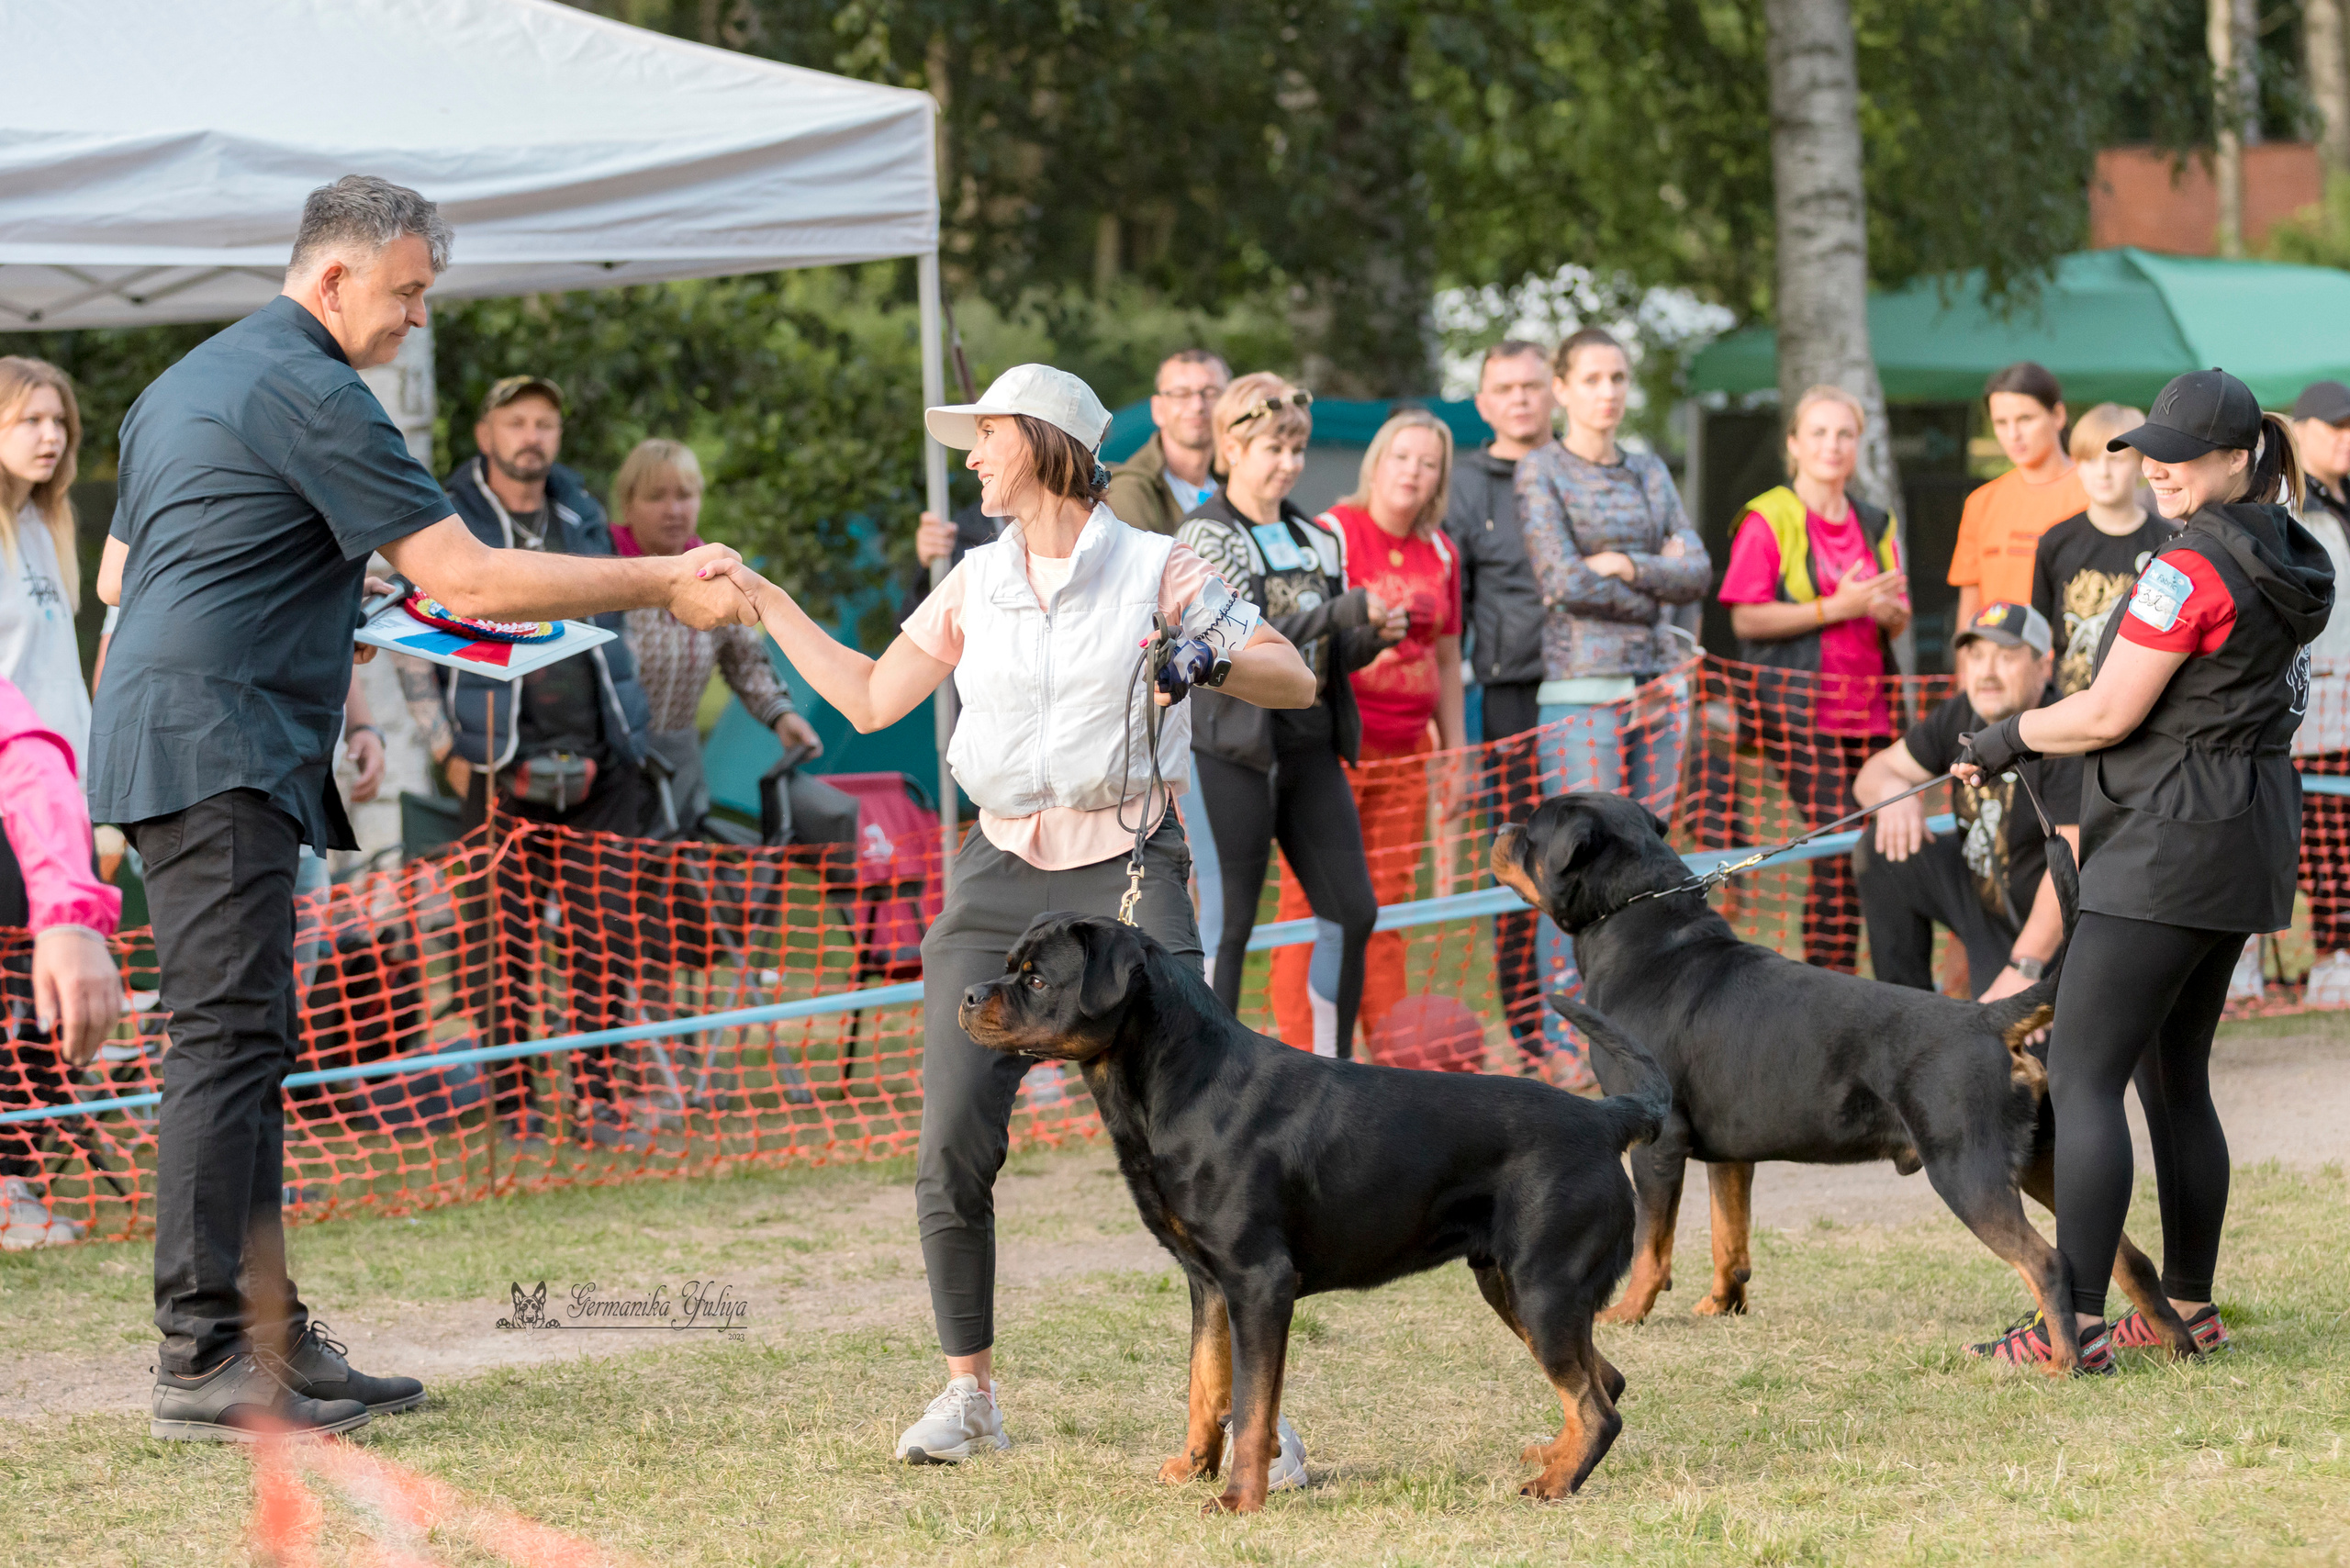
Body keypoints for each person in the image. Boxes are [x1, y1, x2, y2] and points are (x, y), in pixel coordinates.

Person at [90, 175, 750, 1440]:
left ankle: (261, 1333)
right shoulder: (314, 386)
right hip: (216, 742)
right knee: (224, 1045)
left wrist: (332, 616)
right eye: (407, 294)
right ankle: (200, 1356)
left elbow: (127, 573)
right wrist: (663, 579)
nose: (415, 321)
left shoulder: (187, 381)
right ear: (333, 279)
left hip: (190, 734)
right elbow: (469, 570)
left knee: (248, 1041)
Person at [711, 363, 1315, 1468]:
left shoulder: (1157, 566)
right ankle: (968, 1395)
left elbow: (1291, 676)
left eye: (985, 435)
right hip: (993, 876)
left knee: (1208, 1151)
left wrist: (1206, 649)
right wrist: (764, 596)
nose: (972, 456)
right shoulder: (974, 583)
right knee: (949, 1142)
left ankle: (1254, 1418)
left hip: (1131, 869)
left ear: (1041, 442)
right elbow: (868, 695)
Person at [1956, 369, 2331, 1372]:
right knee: (2175, 1080)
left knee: (2082, 1074)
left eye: (2180, 455)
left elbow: (2108, 711)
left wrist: (2004, 737)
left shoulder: (2187, 566)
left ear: (2238, 457)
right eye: (2149, 448)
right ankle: (2188, 1306)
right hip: (2242, 836)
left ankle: (2068, 1324)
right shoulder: (2289, 545)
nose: (2156, 468)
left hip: (2169, 842)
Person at [396, 375, 675, 1153]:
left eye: (545, 423)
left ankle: (598, 1100)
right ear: (486, 434)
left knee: (604, 941)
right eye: (516, 421)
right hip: (495, 768)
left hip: (601, 764)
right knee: (498, 946)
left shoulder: (582, 514)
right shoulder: (448, 520)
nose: (532, 436)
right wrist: (444, 746)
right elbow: (408, 630)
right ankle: (515, 1108)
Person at [1180, 374, 1396, 1058]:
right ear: (1232, 446)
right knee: (1229, 925)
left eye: (1298, 449)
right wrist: (1345, 610)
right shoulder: (1204, 535)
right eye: (1275, 447)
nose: (1290, 463)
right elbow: (1247, 632)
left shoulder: (1316, 536)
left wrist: (1371, 636)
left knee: (1353, 911)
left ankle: (1335, 1070)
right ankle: (1202, 1080)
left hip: (1310, 747)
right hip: (1230, 754)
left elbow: (1323, 654)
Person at [1520, 328, 1710, 1067]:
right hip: (1581, 690)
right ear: (1562, 388)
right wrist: (1653, 572)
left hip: (1658, 687)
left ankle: (1649, 1029)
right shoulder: (1542, 471)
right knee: (1569, 865)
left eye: (1619, 377)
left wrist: (1624, 564)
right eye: (1593, 378)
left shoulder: (1649, 468)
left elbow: (1695, 568)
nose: (1608, 392)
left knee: (1647, 854)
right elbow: (1561, 581)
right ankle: (1569, 1042)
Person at [1274, 409, 1460, 1056]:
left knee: (1389, 902)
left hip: (1411, 751)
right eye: (1402, 457)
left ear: (1440, 478)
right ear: (1377, 463)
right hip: (1339, 748)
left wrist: (1452, 751)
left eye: (1428, 462)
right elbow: (1304, 640)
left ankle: (1391, 1051)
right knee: (1311, 901)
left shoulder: (1441, 552)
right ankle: (1303, 1051)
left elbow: (1447, 659)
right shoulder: (1332, 535)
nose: (1413, 471)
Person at [1718, 384, 1910, 974]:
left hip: (1873, 709)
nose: (1833, 445)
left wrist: (1884, 611)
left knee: (1885, 849)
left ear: (1858, 446)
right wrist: (1839, 606)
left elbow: (1897, 614)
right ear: (1794, 445)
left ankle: (1889, 981)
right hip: (1800, 714)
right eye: (1820, 433)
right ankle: (1829, 980)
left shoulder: (1875, 519)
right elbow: (1745, 615)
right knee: (1837, 849)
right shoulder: (1768, 517)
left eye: (1845, 434)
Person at [607, 437, 839, 837]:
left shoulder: (712, 573)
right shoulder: (601, 570)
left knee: (673, 884)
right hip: (609, 762)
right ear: (628, 504)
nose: (674, 510)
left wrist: (781, 715)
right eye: (656, 496)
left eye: (685, 495)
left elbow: (745, 660)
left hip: (680, 760)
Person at [1852, 603, 2078, 1000]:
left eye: (2005, 657)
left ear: (2044, 666)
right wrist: (1892, 793)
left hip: (2053, 930)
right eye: (1976, 656)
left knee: (2019, 1055)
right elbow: (1871, 775)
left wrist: (2026, 964)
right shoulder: (1961, 713)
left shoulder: (2065, 729)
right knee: (1879, 850)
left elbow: (2073, 861)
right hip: (1980, 899)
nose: (1986, 672)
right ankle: (1905, 1010)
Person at [1446, 341, 1558, 1065]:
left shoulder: (1581, 469)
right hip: (1509, 696)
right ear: (1484, 404)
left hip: (1598, 690)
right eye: (1504, 389)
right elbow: (1450, 608)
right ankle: (1527, 1030)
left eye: (1532, 386)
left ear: (1554, 394)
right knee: (1523, 857)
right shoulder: (1464, 485)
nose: (1520, 399)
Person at [0, 676, 121, 1249]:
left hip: (41, 836)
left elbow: (25, 755)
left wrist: (68, 915)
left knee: (37, 1030)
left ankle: (9, 1184)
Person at [2031, 403, 2169, 699]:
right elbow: (2038, 635)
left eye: (2116, 460)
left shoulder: (2170, 543)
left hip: (2148, 709)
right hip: (2069, 707)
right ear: (2077, 465)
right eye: (2091, 460)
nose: (2103, 472)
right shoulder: (2056, 542)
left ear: (2141, 466)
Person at [2287, 380, 2350, 1006]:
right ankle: (2246, 963)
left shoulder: (2341, 500)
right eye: (2335, 426)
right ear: (2301, 430)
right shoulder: (2285, 504)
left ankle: (2337, 952)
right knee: (2297, 841)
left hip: (2343, 713)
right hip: (2298, 709)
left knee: (2339, 838)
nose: (2347, 438)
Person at [1949, 362, 2087, 631]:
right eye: (2001, 422)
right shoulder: (1981, 502)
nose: (2013, 434)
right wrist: (1967, 669)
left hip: (2071, 661)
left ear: (2058, 416)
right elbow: (1970, 608)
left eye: (2025, 419)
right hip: (1997, 661)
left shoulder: (2094, 492)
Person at [0, 357, 92, 757]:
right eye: (32, 420)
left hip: (61, 775)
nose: (52, 436)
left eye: (59, 421)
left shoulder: (47, 523)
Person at [1106, 350, 1231, 537]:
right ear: (1158, 409)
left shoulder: (1238, 480)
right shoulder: (1131, 489)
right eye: (1181, 394)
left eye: (1211, 393)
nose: (1198, 406)